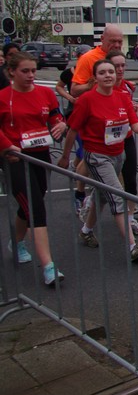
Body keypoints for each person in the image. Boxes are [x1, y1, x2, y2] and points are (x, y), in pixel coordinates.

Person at [57, 58, 138, 262]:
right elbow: (73, 130)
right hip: (96, 157)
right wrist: (65, 157)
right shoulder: (87, 100)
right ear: (95, 77)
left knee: (102, 196)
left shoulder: (121, 97)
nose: (108, 75)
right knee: (117, 195)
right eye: (102, 73)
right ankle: (132, 247)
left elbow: (133, 124)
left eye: (110, 71)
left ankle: (86, 231)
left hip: (118, 155)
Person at [0, 52, 68, 285]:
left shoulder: (45, 93)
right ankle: (49, 266)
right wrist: (6, 146)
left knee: (30, 203)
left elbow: (55, 116)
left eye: (33, 70)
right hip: (14, 158)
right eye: (25, 71)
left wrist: (61, 125)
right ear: (12, 72)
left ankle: (16, 242)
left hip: (40, 155)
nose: (31, 75)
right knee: (36, 208)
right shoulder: (3, 97)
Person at [107, 50, 138, 236]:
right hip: (106, 142)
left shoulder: (128, 87)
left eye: (123, 65)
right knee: (107, 186)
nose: (120, 69)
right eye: (116, 66)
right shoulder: (102, 88)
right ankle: (88, 212)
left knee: (130, 178)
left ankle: (130, 218)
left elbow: (128, 105)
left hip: (126, 136)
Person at [55, 44, 92, 213]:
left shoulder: (93, 72)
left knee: (86, 151)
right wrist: (70, 97)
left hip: (92, 112)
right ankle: (80, 192)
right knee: (85, 150)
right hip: (75, 111)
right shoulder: (70, 73)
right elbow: (59, 86)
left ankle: (76, 166)